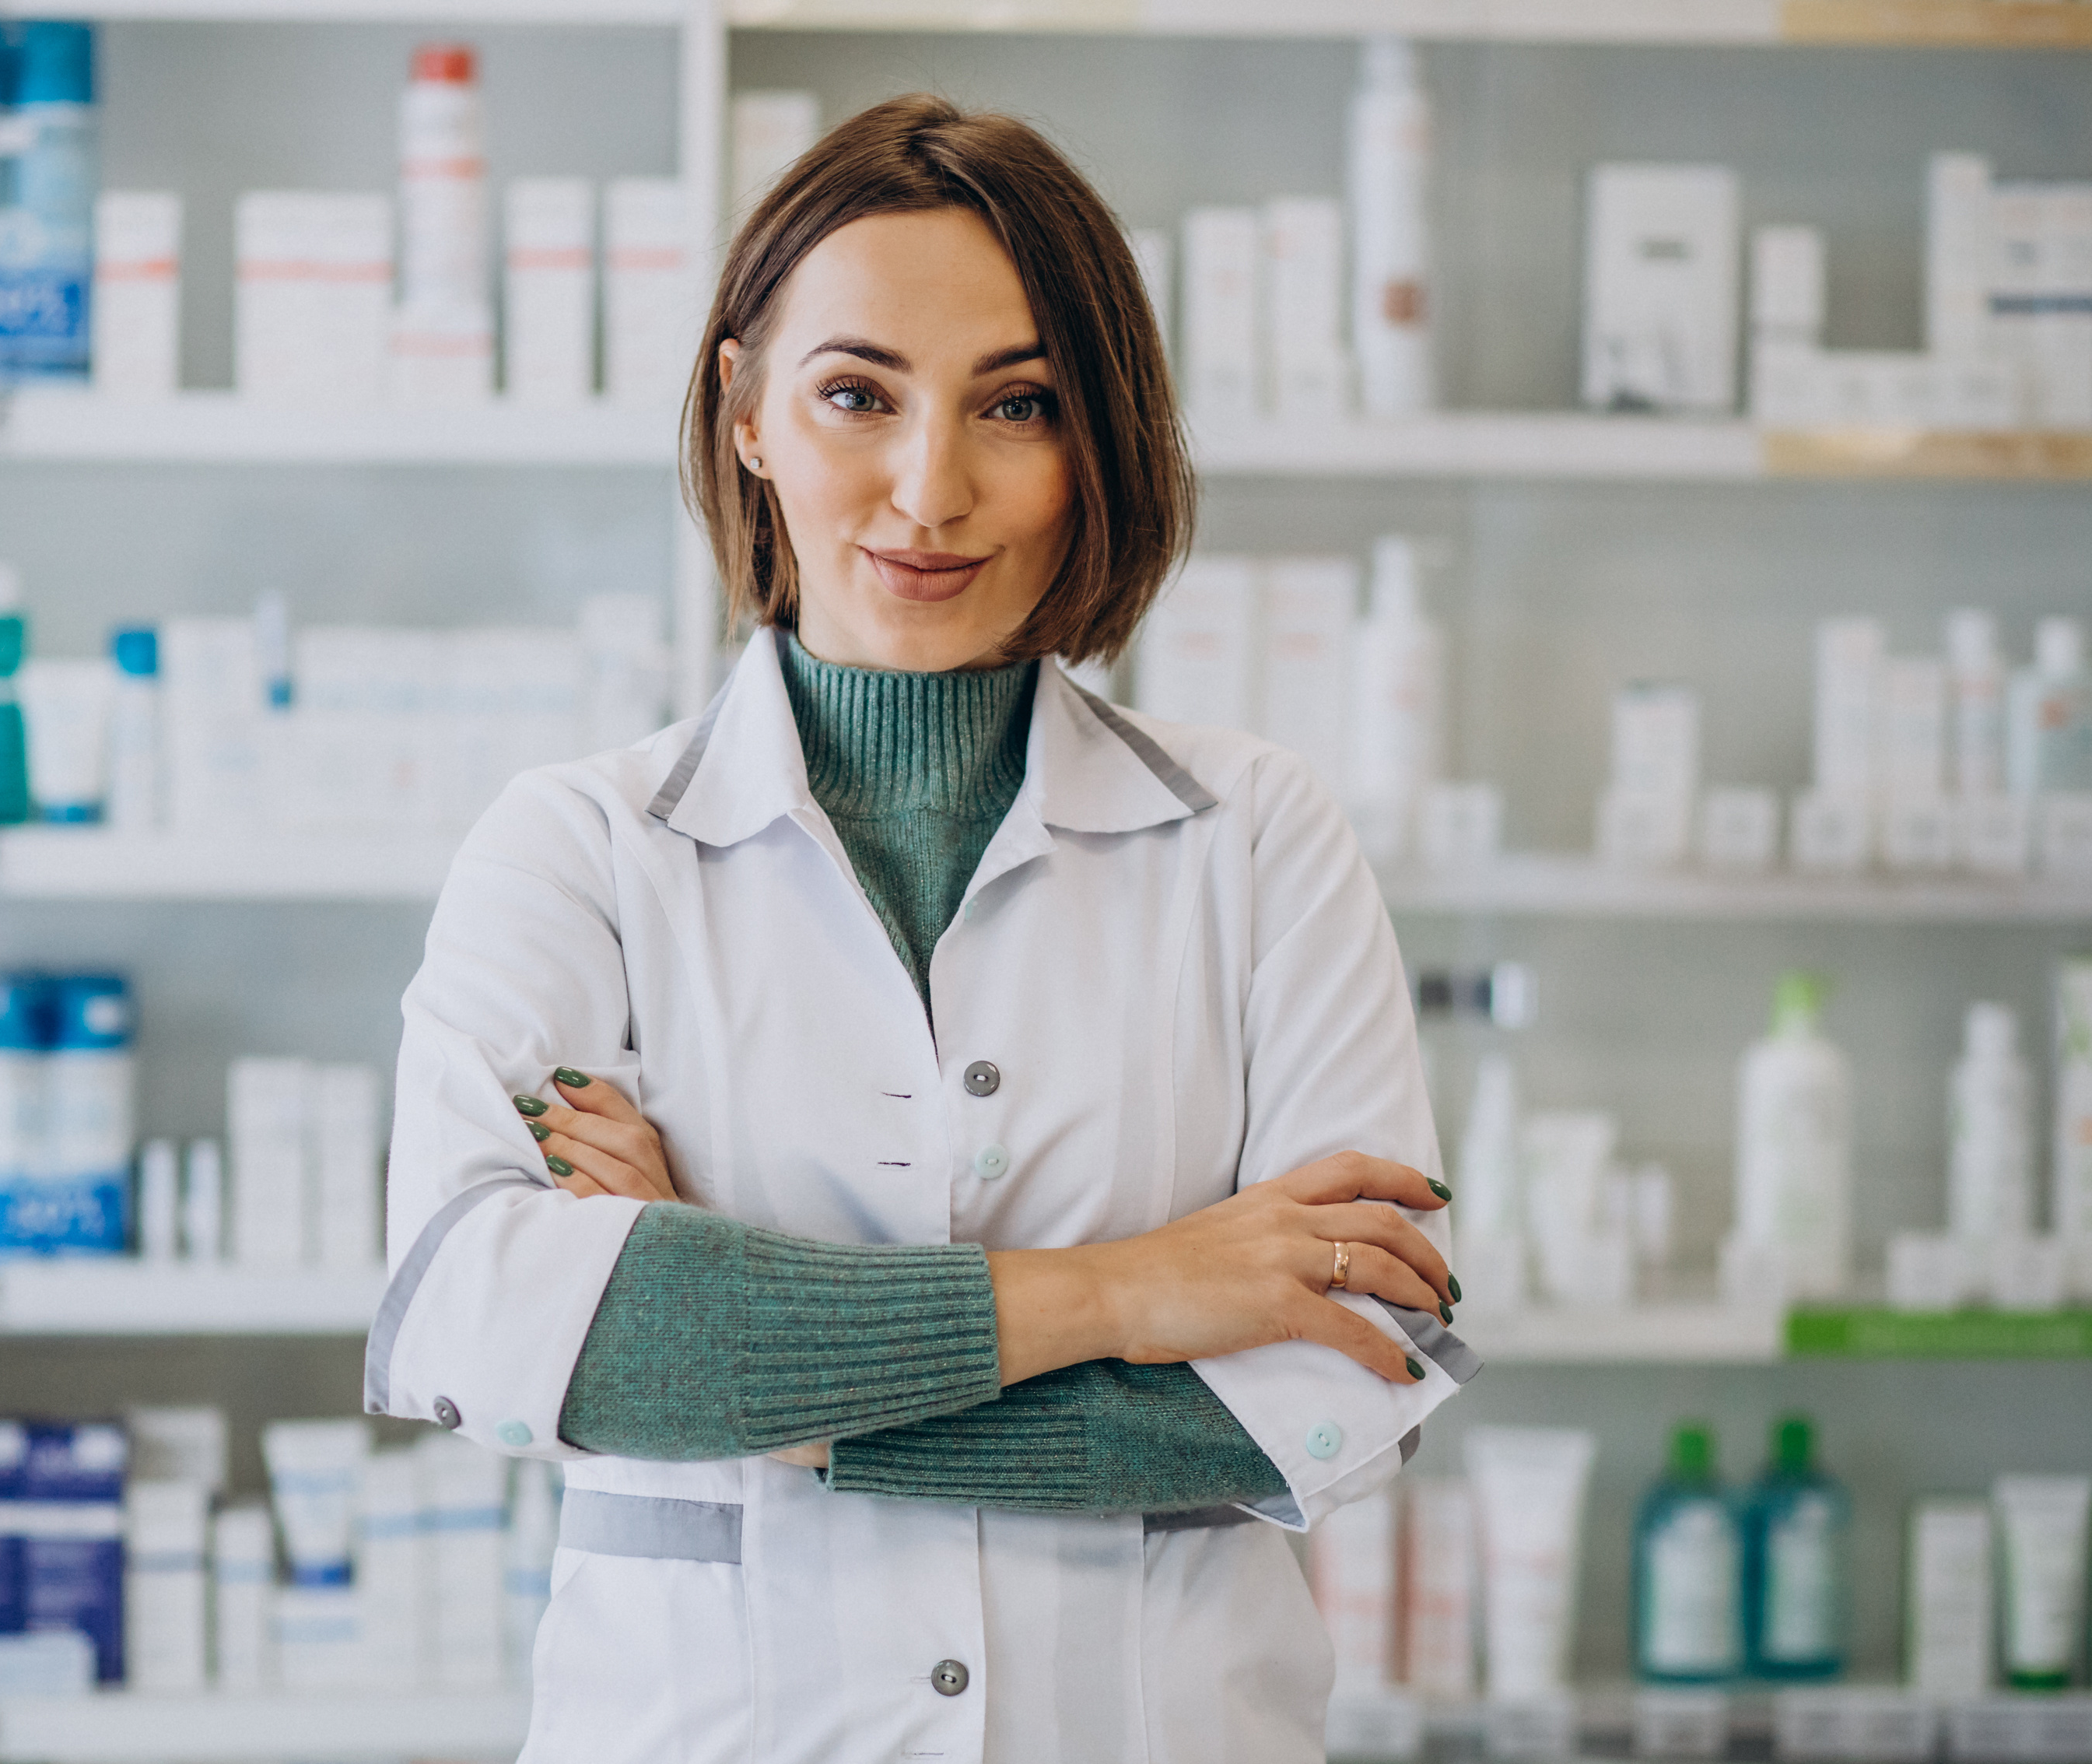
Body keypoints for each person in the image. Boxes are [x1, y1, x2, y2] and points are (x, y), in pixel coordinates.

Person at [369, 93, 1477, 1764]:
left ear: (1094, 437)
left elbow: (1335, 1391)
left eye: (1013, 404)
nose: (926, 486)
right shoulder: (578, 850)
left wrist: (776, 1393)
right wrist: (1140, 1289)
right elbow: (511, 1331)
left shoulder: (1256, 839)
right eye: (853, 395)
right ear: (742, 409)